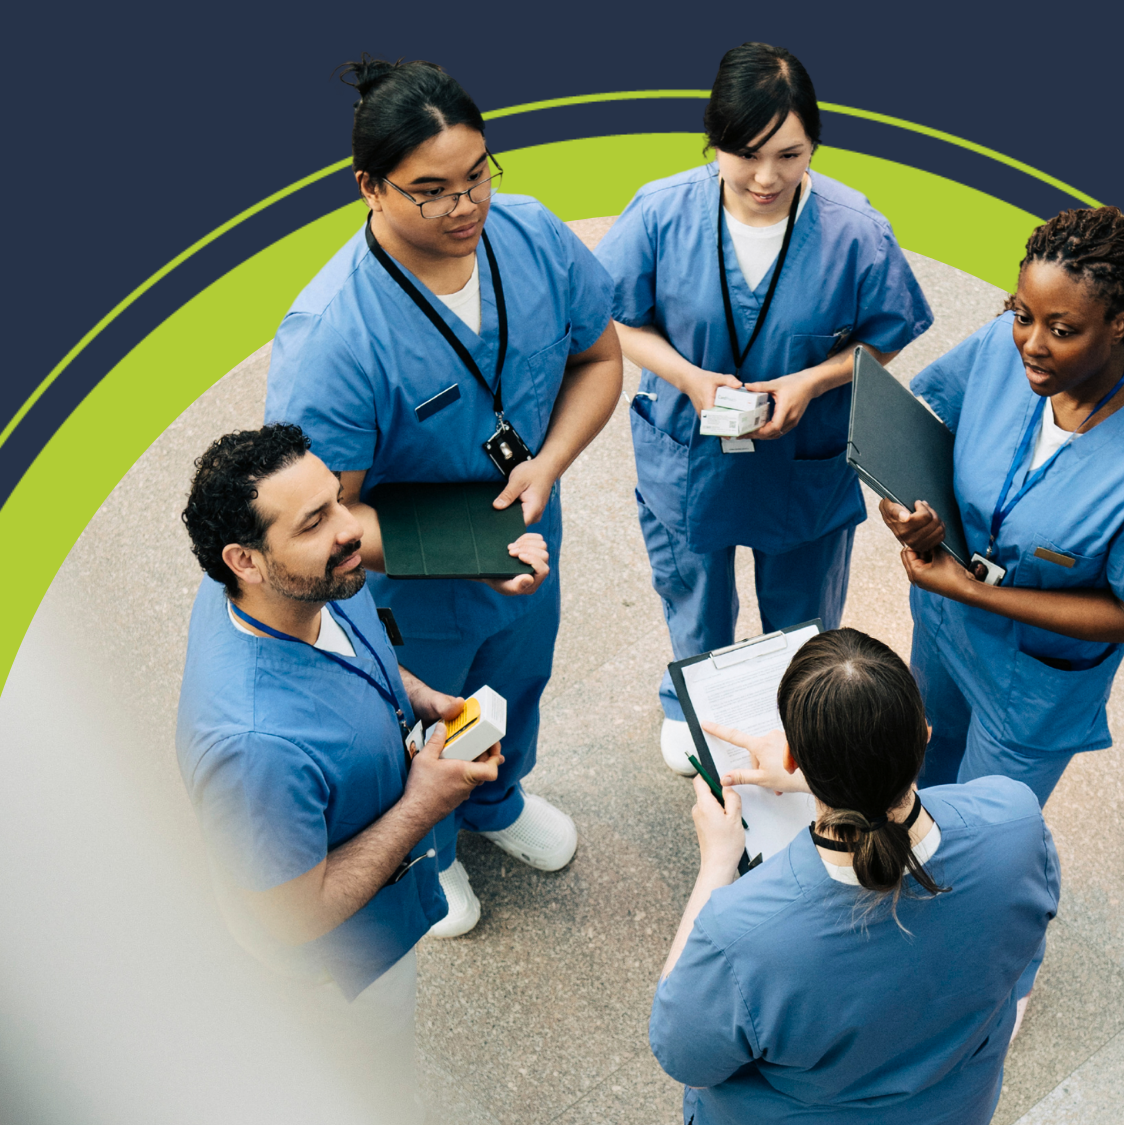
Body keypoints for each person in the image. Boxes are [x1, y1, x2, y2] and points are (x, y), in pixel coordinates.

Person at [266, 56, 622, 934]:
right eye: (431, 190)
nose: (465, 208)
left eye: (477, 176)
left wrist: (549, 464)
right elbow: (320, 520)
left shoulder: (533, 237)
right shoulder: (335, 339)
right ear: (369, 188)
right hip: (408, 583)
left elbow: (599, 358)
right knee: (428, 720)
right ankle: (433, 851)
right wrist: (465, 549)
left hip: (529, 535)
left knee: (517, 678)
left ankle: (496, 804)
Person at [594, 43, 933, 776]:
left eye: (791, 153)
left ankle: (799, 721)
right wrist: (686, 375)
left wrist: (812, 380)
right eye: (746, 154)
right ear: (714, 141)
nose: (767, 177)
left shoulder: (855, 231)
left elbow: (885, 339)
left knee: (804, 617)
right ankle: (697, 709)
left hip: (800, 465)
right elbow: (612, 320)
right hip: (691, 455)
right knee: (696, 604)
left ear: (815, 144)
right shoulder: (660, 214)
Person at [175, 425, 518, 1117]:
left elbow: (357, 646)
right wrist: (424, 803)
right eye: (315, 521)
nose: (349, 528)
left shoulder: (307, 582)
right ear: (244, 559)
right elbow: (292, 916)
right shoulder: (252, 747)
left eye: (337, 500)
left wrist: (413, 692)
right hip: (337, 973)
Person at [651, 629, 1059, 1124]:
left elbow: (685, 1059)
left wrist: (717, 862)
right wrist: (840, 774)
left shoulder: (739, 936)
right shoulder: (1016, 819)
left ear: (791, 758)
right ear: (925, 735)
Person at [880, 206, 1124, 807]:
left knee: (987, 831)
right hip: (945, 630)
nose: (1031, 346)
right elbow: (924, 424)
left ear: (1120, 324)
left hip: (1032, 686)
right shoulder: (1002, 350)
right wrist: (909, 509)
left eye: (1061, 330)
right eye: (1021, 315)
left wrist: (977, 592)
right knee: (921, 776)